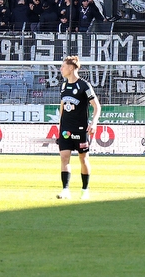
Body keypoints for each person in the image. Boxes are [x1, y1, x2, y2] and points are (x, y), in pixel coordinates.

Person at [56, 55, 101, 201]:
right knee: (64, 158)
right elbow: (62, 106)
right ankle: (65, 190)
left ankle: (84, 190)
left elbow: (96, 106)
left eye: (63, 66)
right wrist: (60, 126)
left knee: (83, 159)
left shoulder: (84, 85)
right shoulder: (64, 86)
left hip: (80, 129)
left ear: (70, 68)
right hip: (66, 129)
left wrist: (94, 123)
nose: (61, 69)